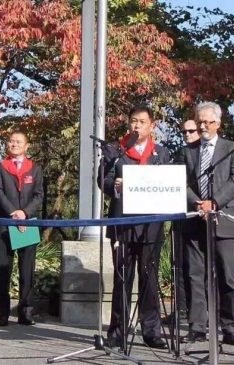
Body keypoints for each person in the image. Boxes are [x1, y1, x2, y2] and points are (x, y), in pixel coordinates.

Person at [100, 105, 169, 350]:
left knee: (149, 279)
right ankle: (117, 332)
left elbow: (168, 184)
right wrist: (116, 185)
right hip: (123, 225)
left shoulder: (161, 154)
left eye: (142, 121)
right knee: (122, 279)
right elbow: (103, 180)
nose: (136, 125)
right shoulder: (116, 151)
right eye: (133, 121)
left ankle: (152, 331)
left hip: (151, 226)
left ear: (152, 125)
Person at [176, 101, 234, 345]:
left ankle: (231, 328)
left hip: (223, 219)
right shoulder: (188, 151)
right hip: (195, 219)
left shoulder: (232, 148)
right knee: (195, 274)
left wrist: (213, 202)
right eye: (200, 121)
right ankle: (197, 327)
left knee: (226, 276)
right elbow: (180, 181)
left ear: (218, 123)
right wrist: (198, 204)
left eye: (207, 122)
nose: (202, 126)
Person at [0, 131, 44, 326]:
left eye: (18, 141)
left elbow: (39, 195)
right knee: (3, 270)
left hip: (28, 224)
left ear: (27, 145)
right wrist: (14, 212)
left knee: (27, 270)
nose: (14, 144)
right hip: (5, 224)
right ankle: (3, 313)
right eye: (11, 141)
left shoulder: (35, 169)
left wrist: (25, 213)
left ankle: (25, 313)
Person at [171, 119, 201, 320]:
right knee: (181, 264)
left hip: (210, 213)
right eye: (184, 131)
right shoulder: (182, 153)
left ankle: (204, 313)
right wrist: (197, 201)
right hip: (186, 212)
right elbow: (178, 179)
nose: (187, 134)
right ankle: (182, 308)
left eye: (191, 131)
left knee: (204, 267)